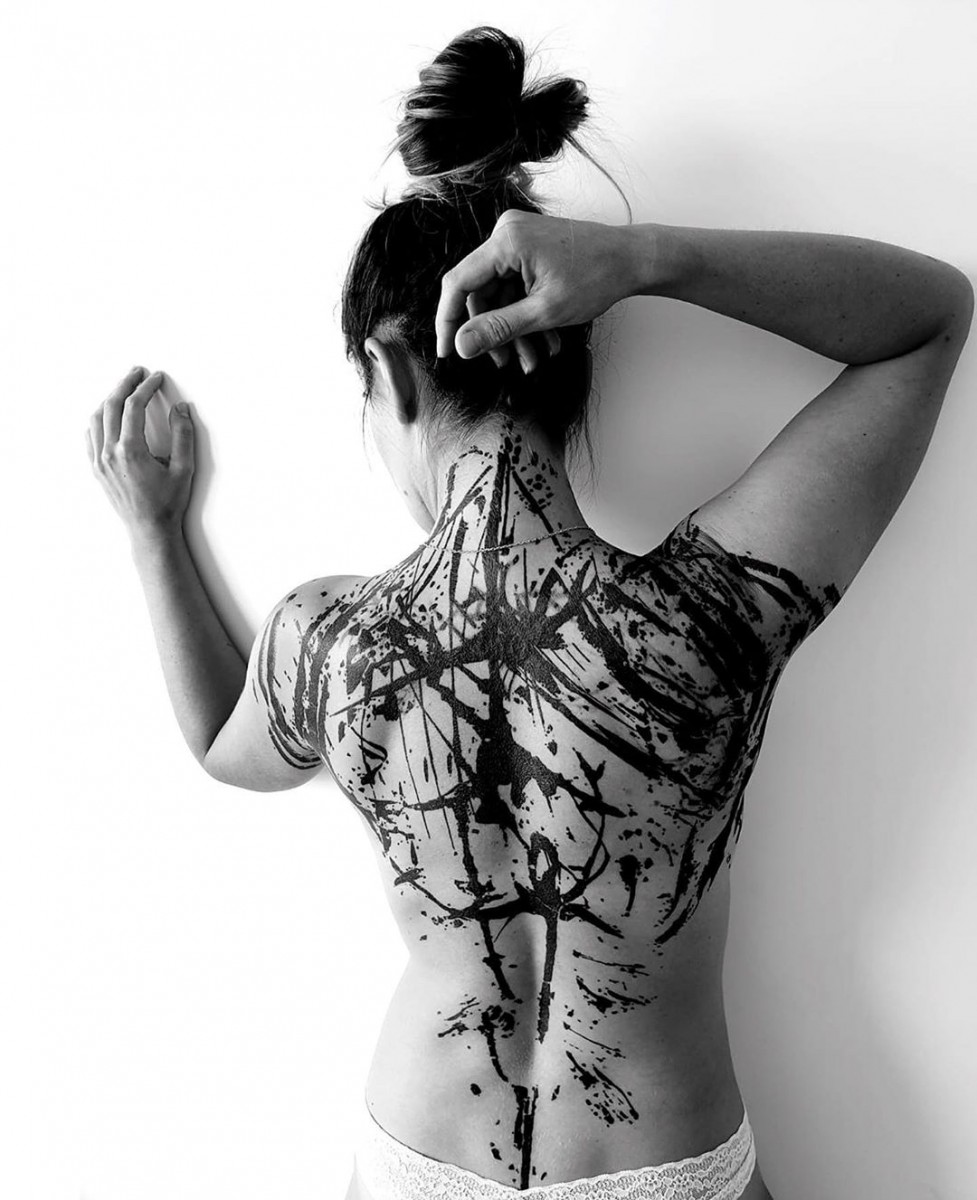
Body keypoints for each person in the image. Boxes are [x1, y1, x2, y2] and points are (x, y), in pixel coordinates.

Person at [84, 24, 973, 1200]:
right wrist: (643, 260)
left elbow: (218, 744)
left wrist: (155, 532)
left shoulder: (328, 645)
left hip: (421, 1161)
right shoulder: (706, 617)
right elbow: (926, 319)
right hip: (659, 1161)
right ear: (570, 365)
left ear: (391, 375)